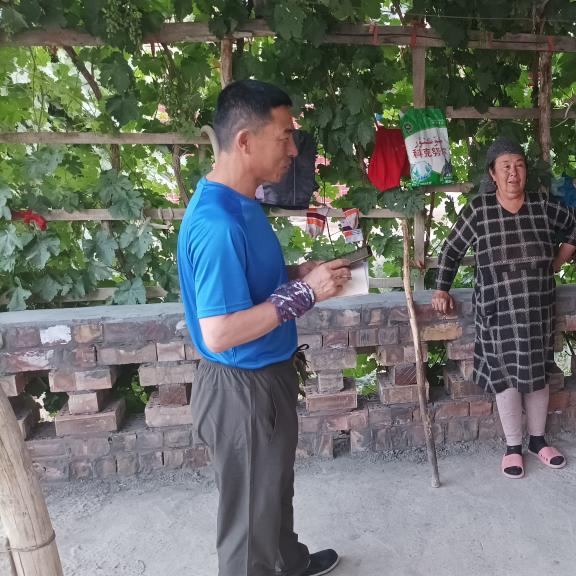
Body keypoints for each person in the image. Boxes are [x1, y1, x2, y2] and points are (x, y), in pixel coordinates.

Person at [177, 79, 352, 576]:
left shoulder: (242, 202)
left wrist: (297, 275)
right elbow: (219, 331)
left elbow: (247, 282)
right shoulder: (218, 224)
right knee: (248, 526)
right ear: (245, 141)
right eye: (285, 136)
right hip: (241, 389)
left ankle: (288, 562)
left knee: (272, 489)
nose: (294, 149)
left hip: (264, 376)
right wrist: (304, 294)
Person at [432, 137, 576, 479]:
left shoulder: (542, 206)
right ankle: (513, 447)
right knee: (505, 378)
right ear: (493, 173)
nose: (513, 173)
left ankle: (538, 441)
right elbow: (452, 249)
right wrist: (441, 288)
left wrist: (559, 259)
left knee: (537, 374)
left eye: (518, 165)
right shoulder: (479, 210)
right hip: (496, 311)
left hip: (537, 308)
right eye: (505, 167)